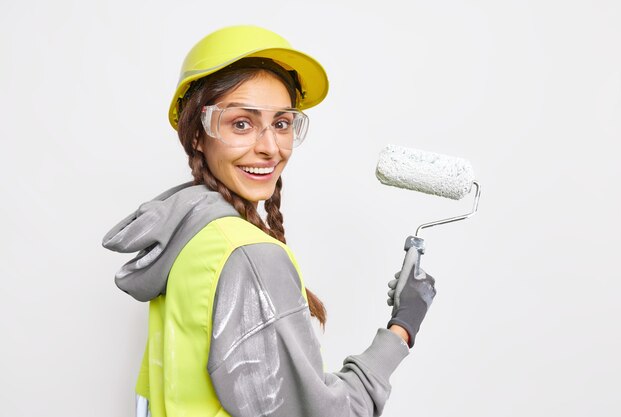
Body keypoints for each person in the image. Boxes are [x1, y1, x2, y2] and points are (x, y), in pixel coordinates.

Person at [102, 25, 436, 417]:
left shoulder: (185, 239)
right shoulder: (249, 256)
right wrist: (403, 326)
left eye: (281, 123)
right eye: (241, 123)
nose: (269, 147)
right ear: (197, 134)